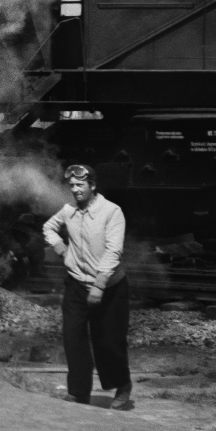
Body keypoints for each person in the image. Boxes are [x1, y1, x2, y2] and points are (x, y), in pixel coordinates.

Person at [43, 164, 132, 410]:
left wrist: (100, 285)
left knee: (108, 342)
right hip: (76, 284)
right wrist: (61, 248)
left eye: (80, 185)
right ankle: (78, 392)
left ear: (92, 185)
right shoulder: (68, 210)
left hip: (110, 287)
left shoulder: (112, 212)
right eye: (72, 185)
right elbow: (48, 228)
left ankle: (122, 386)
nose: (75, 190)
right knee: (74, 338)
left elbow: (114, 251)